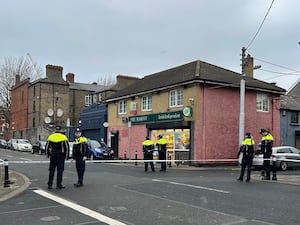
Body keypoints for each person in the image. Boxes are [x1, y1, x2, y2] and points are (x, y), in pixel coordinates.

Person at [46, 125, 69, 189]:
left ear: (55, 130)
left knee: (51, 170)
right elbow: (67, 147)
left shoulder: (51, 137)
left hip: (53, 155)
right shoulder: (63, 137)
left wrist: (48, 155)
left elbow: (47, 147)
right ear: (60, 130)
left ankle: (50, 184)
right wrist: (66, 157)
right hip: (60, 156)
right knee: (60, 171)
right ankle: (59, 185)